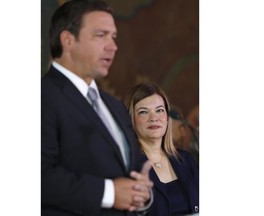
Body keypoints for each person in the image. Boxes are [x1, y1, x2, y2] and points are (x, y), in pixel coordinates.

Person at [41, 1, 153, 216]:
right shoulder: (41, 96)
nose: (113, 46)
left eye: (113, 37)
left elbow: (134, 168)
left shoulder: (115, 106)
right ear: (68, 40)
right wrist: (109, 193)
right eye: (101, 35)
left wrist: (143, 192)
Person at [125, 83, 199, 215]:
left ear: (166, 119)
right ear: (132, 120)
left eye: (159, 110)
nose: (154, 118)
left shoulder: (187, 160)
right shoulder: (129, 166)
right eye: (143, 112)